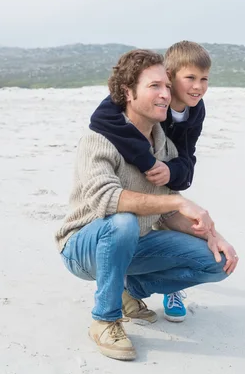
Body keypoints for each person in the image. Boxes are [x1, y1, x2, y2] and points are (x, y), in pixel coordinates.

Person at [54, 49, 238, 361]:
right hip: (82, 247)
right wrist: (178, 199)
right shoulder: (99, 139)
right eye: (155, 86)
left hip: (134, 244)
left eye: (167, 86)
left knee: (217, 261)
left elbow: (166, 212)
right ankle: (105, 319)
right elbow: (107, 200)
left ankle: (131, 292)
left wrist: (210, 234)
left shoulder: (163, 143)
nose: (166, 94)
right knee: (122, 221)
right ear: (128, 92)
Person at [88, 41, 211, 322]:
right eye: (190, 78)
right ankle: (116, 284)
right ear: (169, 75)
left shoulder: (196, 110)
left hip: (166, 176)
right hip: (133, 170)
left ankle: (166, 287)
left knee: (175, 219)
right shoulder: (148, 97)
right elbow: (101, 118)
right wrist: (147, 160)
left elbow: (187, 157)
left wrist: (170, 171)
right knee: (132, 222)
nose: (198, 87)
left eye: (204, 79)